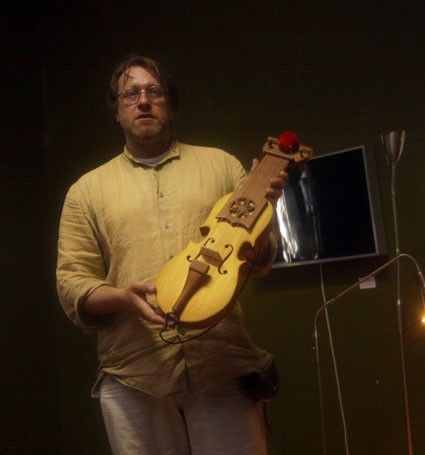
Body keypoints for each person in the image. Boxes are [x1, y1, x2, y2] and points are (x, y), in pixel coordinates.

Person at [56, 54, 288, 454]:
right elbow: (71, 281)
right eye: (131, 94)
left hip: (222, 366)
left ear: (170, 103)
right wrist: (122, 297)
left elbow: (262, 258)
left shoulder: (222, 165)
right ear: (117, 110)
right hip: (133, 374)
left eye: (154, 91)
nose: (143, 101)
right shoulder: (85, 191)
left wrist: (263, 217)